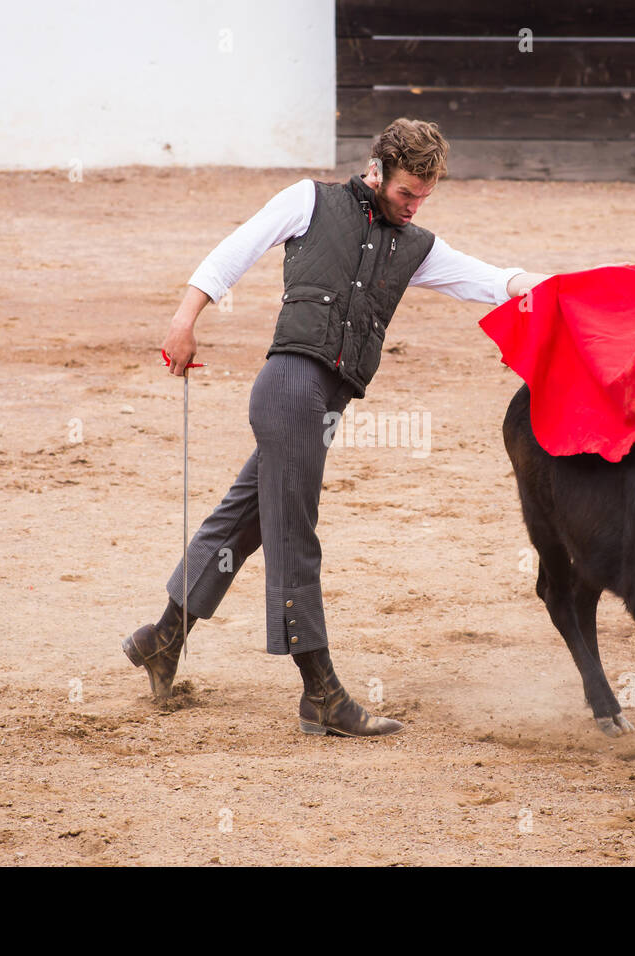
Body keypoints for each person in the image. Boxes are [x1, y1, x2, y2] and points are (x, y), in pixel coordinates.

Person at [122, 117, 552, 737]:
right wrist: (184, 320)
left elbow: (491, 280)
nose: (413, 206)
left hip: (318, 406)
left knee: (247, 521)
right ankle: (320, 693)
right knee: (295, 539)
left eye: (425, 197)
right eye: (407, 192)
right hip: (288, 390)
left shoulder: (416, 244)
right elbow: (234, 250)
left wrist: (564, 288)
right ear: (377, 169)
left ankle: (162, 638)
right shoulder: (309, 200)